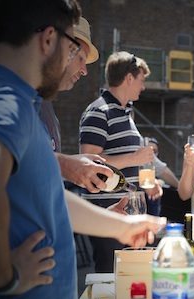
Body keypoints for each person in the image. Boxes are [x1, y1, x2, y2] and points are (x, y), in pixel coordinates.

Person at [0, 1, 165, 299]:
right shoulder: (4, 99)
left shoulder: (16, 100)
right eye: (71, 49)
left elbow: (49, 195)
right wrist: (6, 277)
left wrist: (124, 227)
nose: (74, 62)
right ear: (49, 39)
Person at [79, 51, 166, 272]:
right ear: (129, 78)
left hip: (125, 214)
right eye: (141, 80)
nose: (143, 87)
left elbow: (124, 163)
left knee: (127, 280)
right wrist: (134, 158)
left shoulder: (125, 113)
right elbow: (87, 163)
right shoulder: (99, 111)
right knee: (111, 279)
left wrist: (145, 180)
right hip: (107, 214)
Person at [40, 16, 114, 193]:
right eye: (80, 57)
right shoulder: (12, 96)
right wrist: (65, 164)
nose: (85, 71)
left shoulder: (44, 105)